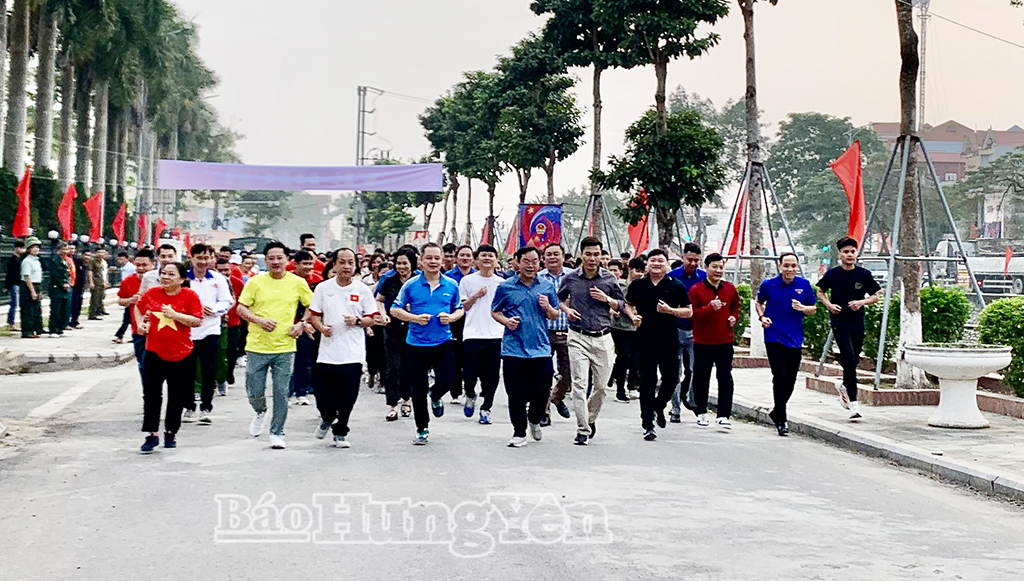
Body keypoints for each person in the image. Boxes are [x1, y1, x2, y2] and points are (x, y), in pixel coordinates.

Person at [237, 241, 313, 450]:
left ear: (288, 260)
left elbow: (312, 306)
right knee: (254, 389)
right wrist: (259, 320)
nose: (275, 261)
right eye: (271, 258)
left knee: (281, 391)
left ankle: (277, 431)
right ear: (266, 260)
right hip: (257, 345)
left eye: (280, 257)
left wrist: (302, 324)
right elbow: (241, 308)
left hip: (285, 346)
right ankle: (260, 410)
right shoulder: (255, 282)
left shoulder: (297, 282)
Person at [389, 243, 464, 445]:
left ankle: (437, 394)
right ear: (421, 260)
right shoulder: (411, 285)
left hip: (443, 341)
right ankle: (422, 428)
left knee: (448, 381)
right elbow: (394, 310)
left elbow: (460, 310)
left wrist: (450, 317)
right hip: (416, 344)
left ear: (443, 261)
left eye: (437, 258)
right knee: (418, 389)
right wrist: (413, 317)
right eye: (429, 258)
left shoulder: (451, 285)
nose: (433, 262)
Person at [306, 248, 378, 448]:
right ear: (334, 265)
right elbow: (314, 314)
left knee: (348, 397)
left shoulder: (362, 289)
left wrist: (357, 321)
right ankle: (327, 417)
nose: (346, 267)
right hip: (328, 352)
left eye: (350, 263)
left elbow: (372, 318)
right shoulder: (323, 288)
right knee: (322, 395)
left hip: (352, 353)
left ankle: (341, 432)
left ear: (355, 266)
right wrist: (321, 328)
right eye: (342, 262)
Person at [491, 246, 561, 448]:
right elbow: (495, 311)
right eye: (526, 261)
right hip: (513, 348)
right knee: (516, 393)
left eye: (534, 261)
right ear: (517, 262)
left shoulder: (546, 286)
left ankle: (534, 418)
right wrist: (506, 321)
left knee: (542, 390)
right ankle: (519, 432)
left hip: (540, 348)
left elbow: (555, 314)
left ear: (540, 263)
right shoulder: (506, 286)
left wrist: (547, 307)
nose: (530, 265)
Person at [558, 237, 625, 444]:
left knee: (602, 386)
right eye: (588, 254)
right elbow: (560, 299)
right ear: (581, 255)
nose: (592, 258)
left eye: (596, 254)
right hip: (577, 336)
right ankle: (582, 429)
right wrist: (567, 310)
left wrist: (607, 299)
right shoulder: (571, 279)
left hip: (603, 337)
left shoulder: (609, 279)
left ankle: (590, 417)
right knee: (579, 384)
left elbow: (621, 305)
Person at [624, 249, 692, 441]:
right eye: (652, 260)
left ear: (667, 264)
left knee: (672, 378)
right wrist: (633, 316)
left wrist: (670, 310)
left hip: (669, 339)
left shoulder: (676, 285)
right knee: (647, 381)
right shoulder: (638, 285)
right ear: (647, 264)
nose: (656, 264)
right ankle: (648, 423)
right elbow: (628, 304)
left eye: (660, 261)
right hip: (644, 340)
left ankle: (659, 405)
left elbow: (688, 311)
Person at [135, 262, 203, 453]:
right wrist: (141, 324)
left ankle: (171, 431)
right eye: (163, 273)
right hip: (154, 352)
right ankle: (151, 434)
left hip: (182, 354)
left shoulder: (190, 295)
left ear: (182, 279)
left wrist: (175, 315)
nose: (165, 277)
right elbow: (138, 308)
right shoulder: (152, 293)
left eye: (171, 274)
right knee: (151, 394)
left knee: (177, 396)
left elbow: (197, 321)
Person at [816, 236, 881, 420]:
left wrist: (862, 302)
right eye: (846, 252)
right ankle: (853, 403)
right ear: (840, 254)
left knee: (853, 360)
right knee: (848, 357)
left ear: (856, 254)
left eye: (852, 251)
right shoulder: (833, 274)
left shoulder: (863, 274)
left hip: (857, 322)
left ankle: (844, 387)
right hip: (839, 322)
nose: (850, 255)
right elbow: (820, 291)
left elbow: (875, 295)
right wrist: (829, 305)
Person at [757, 252, 817, 436]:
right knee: (780, 376)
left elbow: (813, 309)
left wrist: (802, 308)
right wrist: (762, 317)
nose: (790, 269)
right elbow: (759, 302)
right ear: (780, 267)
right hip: (774, 336)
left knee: (790, 380)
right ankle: (782, 420)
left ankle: (776, 410)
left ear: (797, 267)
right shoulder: (769, 284)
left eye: (793, 266)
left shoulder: (804, 285)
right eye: (786, 265)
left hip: (795, 339)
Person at [688, 253, 741, 430]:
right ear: (706, 268)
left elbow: (735, 307)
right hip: (703, 341)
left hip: (725, 340)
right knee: (702, 377)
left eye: (721, 267)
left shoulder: (730, 289)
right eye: (714, 267)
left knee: (725, 377)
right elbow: (692, 315)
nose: (718, 270)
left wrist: (734, 317)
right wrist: (710, 308)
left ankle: (724, 415)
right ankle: (701, 412)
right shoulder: (696, 290)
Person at [184, 244, 233, 424]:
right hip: (187, 331)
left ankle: (206, 407)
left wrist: (214, 310)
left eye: (207, 258)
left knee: (209, 370)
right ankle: (188, 406)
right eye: (199, 258)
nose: (203, 262)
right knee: (187, 371)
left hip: (211, 330)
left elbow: (227, 301)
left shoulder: (218, 279)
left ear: (212, 259)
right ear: (192, 258)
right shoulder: (184, 279)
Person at [458, 244, 505, 424]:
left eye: (490, 256)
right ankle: (470, 394)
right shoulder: (467, 281)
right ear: (476, 260)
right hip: (472, 334)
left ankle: (486, 408)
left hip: (495, 334)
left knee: (492, 376)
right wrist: (475, 296)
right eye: (483, 256)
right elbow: (462, 307)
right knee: (469, 373)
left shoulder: (502, 283)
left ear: (496, 260)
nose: (487, 259)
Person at [667, 243, 707, 422]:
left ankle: (690, 398)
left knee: (694, 370)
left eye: (696, 260)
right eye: (689, 259)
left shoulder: (705, 278)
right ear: (682, 257)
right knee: (675, 371)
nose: (692, 263)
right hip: (673, 329)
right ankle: (675, 409)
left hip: (697, 330)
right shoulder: (671, 278)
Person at [376, 247, 417, 421]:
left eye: (404, 263)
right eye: (398, 263)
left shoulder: (418, 280)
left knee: (409, 366)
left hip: (413, 329)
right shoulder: (389, 280)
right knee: (393, 367)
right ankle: (392, 405)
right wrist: (383, 314)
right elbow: (379, 299)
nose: (401, 267)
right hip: (392, 329)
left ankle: (406, 400)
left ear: (412, 264)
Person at [538, 243, 573, 426]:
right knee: (544, 374)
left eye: (556, 254)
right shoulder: (537, 278)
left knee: (569, 374)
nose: (552, 258)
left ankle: (557, 398)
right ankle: (544, 411)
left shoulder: (573, 276)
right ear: (543, 258)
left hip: (569, 332)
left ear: (563, 256)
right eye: (549, 254)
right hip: (544, 332)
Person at [288, 249, 322, 405]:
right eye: (305, 263)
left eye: (311, 263)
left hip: (309, 325)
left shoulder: (317, 280)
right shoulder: (288, 279)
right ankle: (287, 393)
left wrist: (306, 322)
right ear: (296, 264)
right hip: (288, 324)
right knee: (287, 361)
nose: (309, 267)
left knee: (305, 360)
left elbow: (316, 305)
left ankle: (302, 391)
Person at [444, 244, 476, 405]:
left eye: (468, 255)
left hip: (474, 320)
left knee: (470, 357)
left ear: (473, 258)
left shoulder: (478, 277)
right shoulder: (448, 277)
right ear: (456, 258)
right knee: (455, 357)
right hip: (454, 320)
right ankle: (455, 391)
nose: (465, 258)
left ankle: (470, 388)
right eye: (462, 255)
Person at [608, 258, 642, 403]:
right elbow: (611, 302)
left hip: (636, 327)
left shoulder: (643, 287)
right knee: (624, 355)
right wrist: (612, 311)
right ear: (629, 270)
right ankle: (620, 389)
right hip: (618, 326)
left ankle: (631, 385)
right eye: (636, 270)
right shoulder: (619, 286)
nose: (639, 274)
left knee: (635, 357)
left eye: (642, 271)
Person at [119, 249, 155, 374]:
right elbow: (121, 300)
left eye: (144, 265)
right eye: (138, 265)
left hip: (158, 329)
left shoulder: (160, 281)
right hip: (138, 329)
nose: (141, 268)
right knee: (143, 364)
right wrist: (131, 300)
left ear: (153, 264)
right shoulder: (128, 281)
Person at [215, 258, 244, 392]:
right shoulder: (213, 282)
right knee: (217, 352)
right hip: (216, 324)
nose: (223, 273)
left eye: (226, 270)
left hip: (234, 323)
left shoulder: (238, 283)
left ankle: (228, 373)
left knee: (232, 352)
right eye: (219, 270)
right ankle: (218, 378)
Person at [361, 253, 387, 393]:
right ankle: (371, 372)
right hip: (374, 321)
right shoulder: (368, 284)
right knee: (372, 352)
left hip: (388, 323)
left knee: (384, 353)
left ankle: (383, 381)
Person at [19, 237, 43, 338]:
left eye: (37, 247)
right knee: (28, 309)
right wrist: (32, 291)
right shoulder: (27, 261)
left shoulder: (37, 261)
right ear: (28, 249)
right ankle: (27, 331)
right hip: (28, 286)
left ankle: (37, 328)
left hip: (36, 284)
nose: (36, 249)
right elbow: (27, 277)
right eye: (33, 247)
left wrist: (39, 291)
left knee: (36, 309)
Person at [47, 242, 72, 336]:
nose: (65, 251)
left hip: (64, 289)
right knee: (55, 310)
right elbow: (55, 275)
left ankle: (60, 328)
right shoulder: (55, 261)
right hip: (56, 288)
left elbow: (67, 274)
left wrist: (68, 283)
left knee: (63, 309)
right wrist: (63, 284)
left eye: (66, 249)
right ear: (58, 251)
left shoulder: (65, 261)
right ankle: (53, 329)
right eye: (63, 249)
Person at [5, 240, 25, 329]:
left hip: (19, 283)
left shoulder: (20, 259)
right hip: (14, 284)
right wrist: (6, 285)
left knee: (16, 303)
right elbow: (9, 274)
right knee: (14, 303)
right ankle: (11, 322)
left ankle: (13, 321)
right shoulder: (13, 260)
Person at [68, 243, 86, 330]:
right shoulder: (65, 260)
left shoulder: (78, 261)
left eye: (73, 249)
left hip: (78, 285)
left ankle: (75, 320)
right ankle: (68, 321)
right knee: (70, 304)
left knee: (77, 303)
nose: (72, 250)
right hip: (70, 285)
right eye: (70, 248)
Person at [87, 248, 109, 320]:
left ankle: (98, 311)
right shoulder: (92, 261)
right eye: (99, 252)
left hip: (100, 282)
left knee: (100, 297)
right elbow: (90, 271)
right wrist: (91, 282)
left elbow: (103, 273)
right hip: (95, 282)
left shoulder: (102, 262)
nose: (101, 254)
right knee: (95, 299)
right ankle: (92, 314)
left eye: (103, 252)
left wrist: (105, 281)